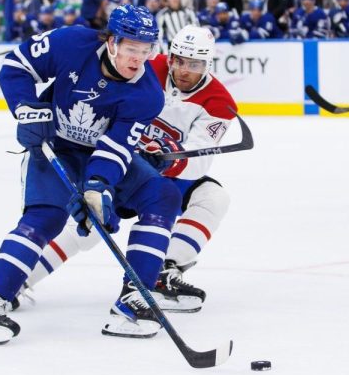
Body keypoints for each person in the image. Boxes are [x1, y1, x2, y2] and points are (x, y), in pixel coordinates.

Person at [0, 5, 183, 345]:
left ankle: (136, 298)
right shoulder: (71, 43)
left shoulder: (148, 94)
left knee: (162, 196)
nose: (138, 59)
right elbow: (16, 66)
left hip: (99, 154)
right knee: (45, 220)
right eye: (131, 49)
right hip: (56, 147)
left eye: (146, 50)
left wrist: (98, 189)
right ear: (112, 42)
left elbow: (115, 149)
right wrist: (27, 110)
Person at [18, 25, 236, 314]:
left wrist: (170, 159)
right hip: (120, 164)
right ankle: (17, 281)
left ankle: (163, 271)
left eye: (194, 64)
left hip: (166, 175)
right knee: (88, 228)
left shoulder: (219, 103)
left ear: (208, 64)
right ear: (169, 56)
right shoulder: (144, 68)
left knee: (213, 197)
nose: (184, 70)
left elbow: (198, 159)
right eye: (179, 60)